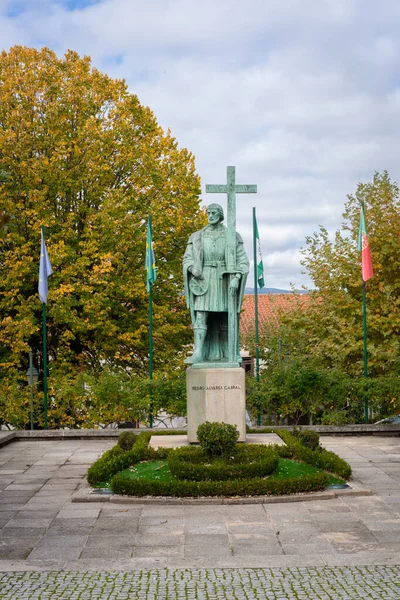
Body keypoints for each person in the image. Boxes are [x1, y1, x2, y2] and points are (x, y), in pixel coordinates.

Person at [183, 203, 249, 364]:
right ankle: (198, 352)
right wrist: (192, 267)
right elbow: (187, 258)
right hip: (203, 280)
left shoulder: (232, 235)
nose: (210, 216)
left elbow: (243, 261)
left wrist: (236, 277)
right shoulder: (197, 236)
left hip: (224, 280)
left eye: (214, 213)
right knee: (201, 314)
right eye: (208, 213)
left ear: (221, 216)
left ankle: (229, 352)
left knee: (227, 316)